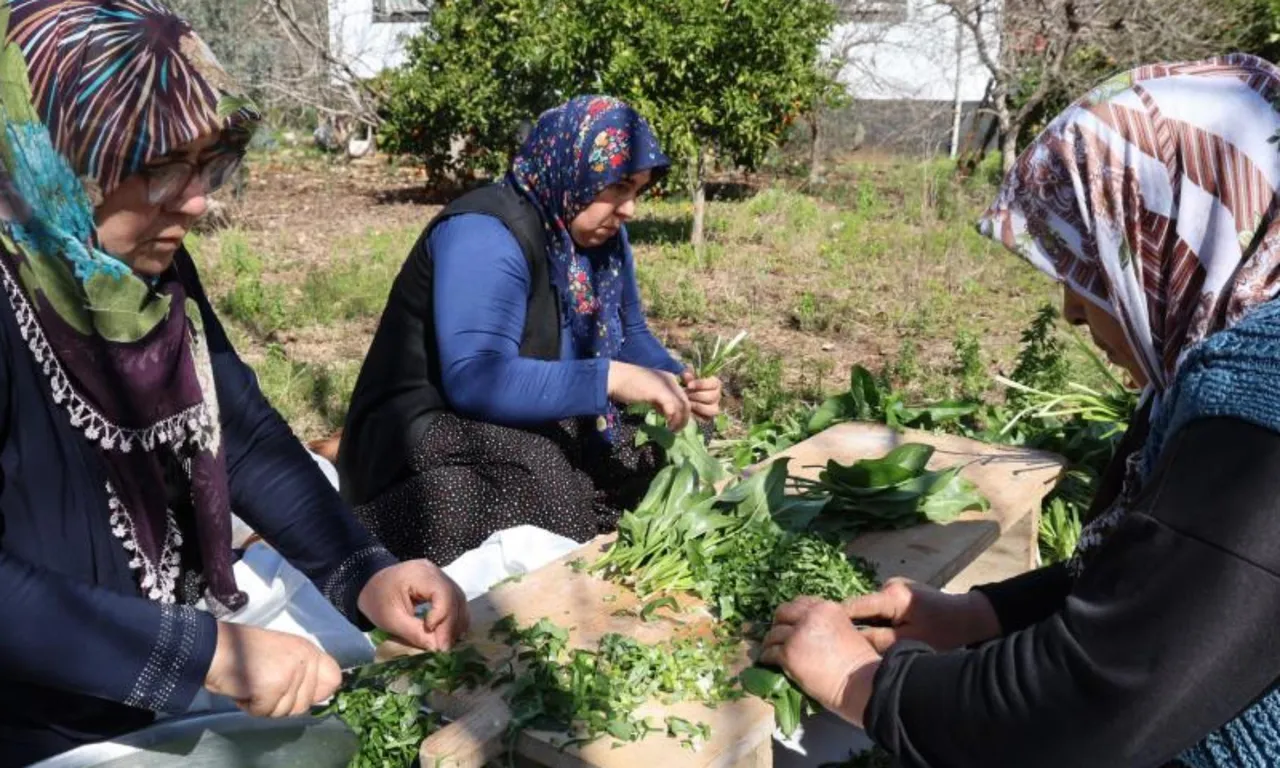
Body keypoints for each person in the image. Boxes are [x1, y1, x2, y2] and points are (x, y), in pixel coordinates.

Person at [762, 53, 1280, 768]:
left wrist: (867, 684)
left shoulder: (1259, 405)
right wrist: (982, 614)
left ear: (1168, 234)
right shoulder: (1219, 360)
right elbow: (1168, 579)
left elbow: (1099, 704)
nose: (1070, 309)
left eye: (1088, 267)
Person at [0, 2, 467, 765]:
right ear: (58, 156)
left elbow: (238, 432)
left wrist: (366, 572)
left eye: (206, 164)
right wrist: (210, 654)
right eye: (160, 168)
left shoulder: (138, 276)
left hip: (148, 685)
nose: (198, 200)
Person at [339, 96, 723, 565]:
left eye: (638, 190)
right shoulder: (485, 233)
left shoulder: (599, 236)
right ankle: (365, 537)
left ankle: (585, 514)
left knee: (678, 441)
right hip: (429, 424)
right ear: (573, 168)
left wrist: (677, 381)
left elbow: (631, 334)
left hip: (530, 410)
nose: (630, 210)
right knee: (545, 493)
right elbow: (476, 378)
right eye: (619, 186)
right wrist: (610, 378)